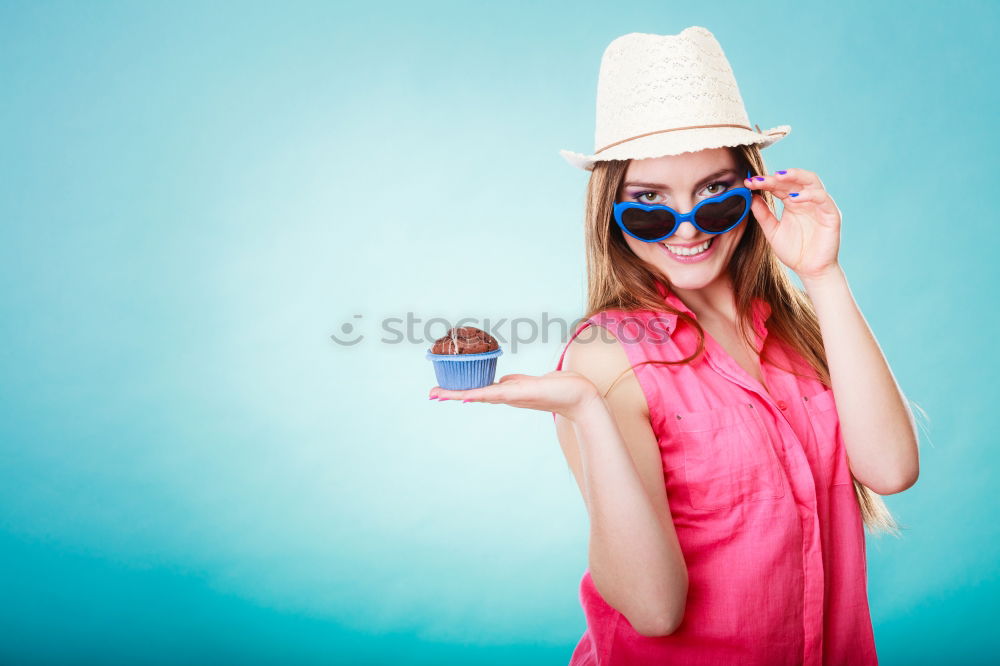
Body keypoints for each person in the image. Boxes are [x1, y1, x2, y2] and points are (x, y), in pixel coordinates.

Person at [428, 26, 919, 665]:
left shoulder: (795, 329)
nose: (687, 227)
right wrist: (586, 411)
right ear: (612, 212)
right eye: (650, 205)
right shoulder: (609, 355)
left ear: (754, 190)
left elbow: (891, 470)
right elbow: (654, 611)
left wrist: (822, 273)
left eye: (715, 195)